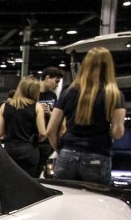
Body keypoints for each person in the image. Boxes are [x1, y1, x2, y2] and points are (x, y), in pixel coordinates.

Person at [47, 47, 126, 185]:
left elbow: (50, 130)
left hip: (68, 153)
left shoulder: (68, 92)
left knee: (66, 196)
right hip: (98, 155)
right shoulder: (114, 95)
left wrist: (60, 149)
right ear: (109, 67)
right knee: (96, 197)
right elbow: (117, 132)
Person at [0, 76, 46, 177]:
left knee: (10, 180)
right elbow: (43, 133)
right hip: (29, 151)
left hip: (9, 151)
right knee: (28, 182)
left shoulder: (4, 106)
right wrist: (36, 140)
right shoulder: (37, 107)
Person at [37, 67, 64, 176]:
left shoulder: (52, 96)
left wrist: (49, 113)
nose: (57, 85)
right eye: (56, 81)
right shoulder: (34, 93)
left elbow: (56, 115)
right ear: (47, 78)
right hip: (34, 137)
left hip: (47, 139)